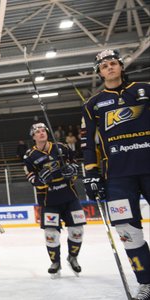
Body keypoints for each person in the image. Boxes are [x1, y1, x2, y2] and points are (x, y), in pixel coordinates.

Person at [81, 49, 150, 299]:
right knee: (128, 232)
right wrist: (91, 174)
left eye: (113, 63)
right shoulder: (93, 104)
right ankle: (146, 282)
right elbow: (89, 143)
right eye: (104, 65)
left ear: (121, 66)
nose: (109, 67)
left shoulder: (145, 89)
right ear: (99, 72)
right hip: (118, 176)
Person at [23, 123, 85, 278]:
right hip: (48, 200)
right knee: (51, 234)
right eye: (37, 131)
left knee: (77, 230)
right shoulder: (29, 156)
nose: (41, 133)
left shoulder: (62, 147)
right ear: (33, 136)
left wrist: (72, 171)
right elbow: (31, 178)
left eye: (43, 130)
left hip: (69, 196)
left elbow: (75, 165)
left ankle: (73, 257)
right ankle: (55, 262)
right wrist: (39, 180)